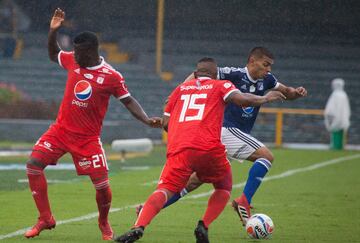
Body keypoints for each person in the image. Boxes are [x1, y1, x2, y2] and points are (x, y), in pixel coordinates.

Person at [24, 8, 162, 240]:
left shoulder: (111, 76)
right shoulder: (72, 60)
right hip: (60, 131)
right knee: (33, 165)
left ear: (91, 51)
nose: (74, 55)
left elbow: (128, 101)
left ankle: (103, 222)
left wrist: (147, 120)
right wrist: (53, 31)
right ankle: (45, 218)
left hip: (87, 139)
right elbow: (52, 53)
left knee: (102, 187)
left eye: (78, 52)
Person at [115, 57, 285, 243]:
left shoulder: (179, 90)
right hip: (208, 148)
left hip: (179, 149)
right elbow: (241, 99)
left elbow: (165, 124)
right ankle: (203, 225)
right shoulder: (221, 85)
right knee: (223, 187)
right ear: (215, 76)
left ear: (195, 74)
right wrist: (265, 98)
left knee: (165, 189)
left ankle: (138, 227)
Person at [148, 47, 308, 227]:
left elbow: (286, 91)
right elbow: (198, 76)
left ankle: (151, 208)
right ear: (252, 61)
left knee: (194, 182)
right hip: (226, 129)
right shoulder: (234, 74)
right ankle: (244, 201)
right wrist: (174, 95)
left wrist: (296, 93)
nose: (268, 69)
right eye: (265, 65)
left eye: (270, 66)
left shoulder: (268, 80)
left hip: (229, 137)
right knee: (266, 156)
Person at [324, 78, 351, 150]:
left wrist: (330, 117)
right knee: (340, 134)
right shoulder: (343, 95)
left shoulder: (335, 95)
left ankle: (336, 147)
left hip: (335, 118)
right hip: (342, 118)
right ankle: (339, 147)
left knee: (336, 134)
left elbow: (331, 109)